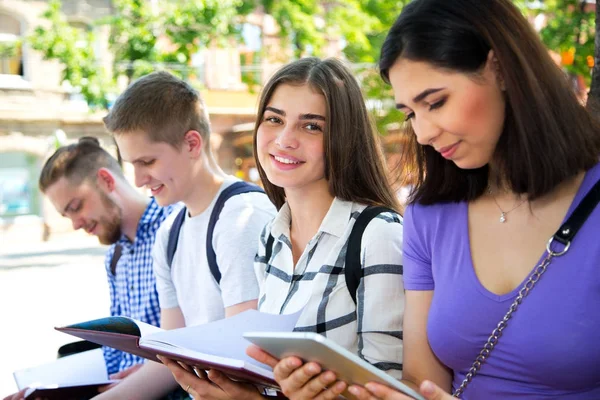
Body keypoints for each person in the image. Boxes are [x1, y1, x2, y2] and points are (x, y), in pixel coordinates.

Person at [344, 0, 600, 399]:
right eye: (410, 114)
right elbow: (422, 382)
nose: (423, 133)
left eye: (435, 102)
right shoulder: (428, 216)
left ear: (499, 69)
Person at [160, 57, 405, 400]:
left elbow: (388, 391)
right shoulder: (270, 238)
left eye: (311, 126)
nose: (284, 140)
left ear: (343, 137)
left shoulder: (378, 235)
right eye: (274, 119)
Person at [94, 71, 276, 400]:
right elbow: (171, 353)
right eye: (131, 164)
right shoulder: (170, 233)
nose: (137, 179)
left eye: (147, 161)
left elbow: (243, 359)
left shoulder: (241, 219)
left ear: (192, 144)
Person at [3, 137, 177, 400]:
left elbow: (188, 344)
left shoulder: (175, 227)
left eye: (76, 207)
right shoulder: (116, 256)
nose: (75, 224)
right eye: (66, 215)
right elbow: (115, 353)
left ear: (107, 181)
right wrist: (49, 389)